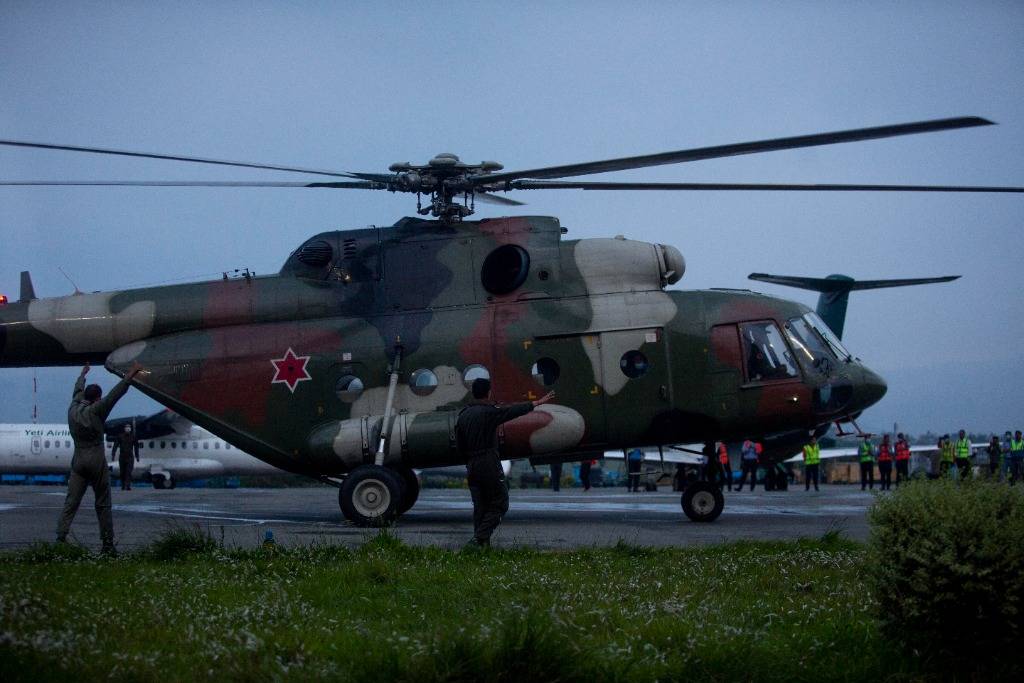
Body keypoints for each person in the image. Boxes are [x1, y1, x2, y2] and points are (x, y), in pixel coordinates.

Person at [456, 378, 553, 549]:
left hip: (471, 464)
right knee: (500, 503)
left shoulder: (463, 415)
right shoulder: (488, 413)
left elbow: (459, 444)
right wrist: (536, 403)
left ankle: (482, 546)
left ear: (473, 393)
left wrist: (469, 461)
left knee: (480, 505)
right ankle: (478, 539)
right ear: (488, 393)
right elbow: (511, 411)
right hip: (488, 462)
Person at [56, 362, 141, 553]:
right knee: (103, 502)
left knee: (71, 501)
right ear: (97, 398)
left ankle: (61, 536)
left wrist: (83, 374)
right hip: (95, 460)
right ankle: (107, 544)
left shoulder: (72, 409)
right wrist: (131, 373)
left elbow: (77, 391)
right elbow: (115, 394)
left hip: (78, 460)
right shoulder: (97, 410)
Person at [110, 424, 140, 491]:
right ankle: (123, 485)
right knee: (122, 472)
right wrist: (113, 455)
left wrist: (137, 456)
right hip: (122, 457)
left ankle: (128, 486)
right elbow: (115, 445)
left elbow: (136, 447)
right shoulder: (120, 436)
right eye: (126, 427)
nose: (128, 428)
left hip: (130, 457)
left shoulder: (133, 437)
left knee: (129, 472)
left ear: (130, 429)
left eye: (129, 427)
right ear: (124, 428)